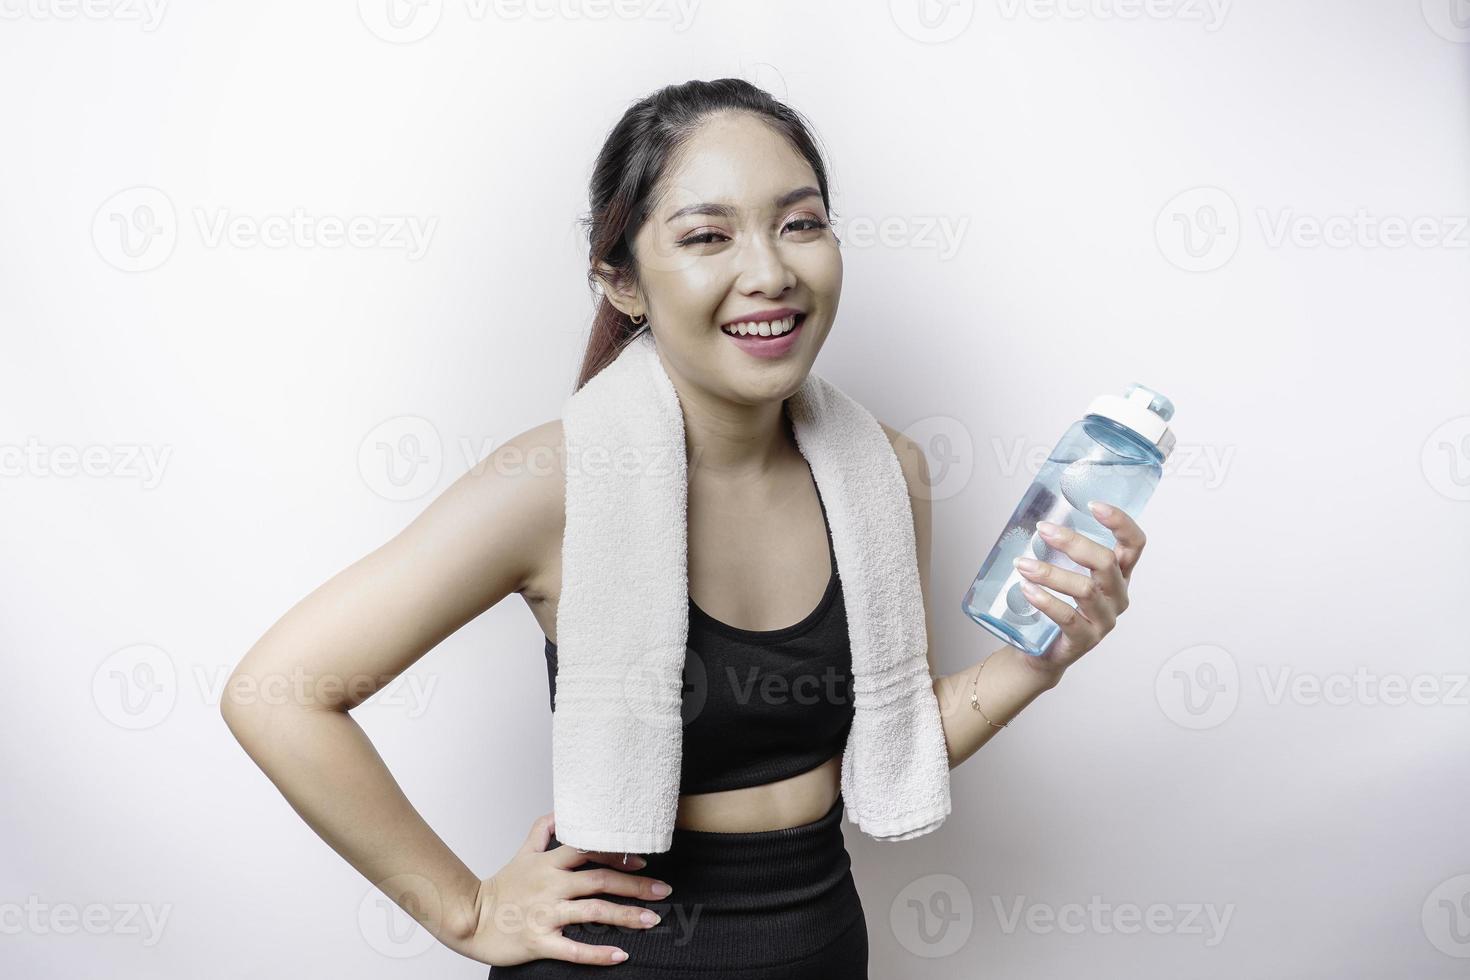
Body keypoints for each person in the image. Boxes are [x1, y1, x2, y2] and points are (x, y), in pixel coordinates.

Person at [221, 78, 1147, 976]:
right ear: (622, 283)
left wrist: (1039, 658)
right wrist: (463, 911)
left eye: (802, 223)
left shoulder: (888, 475)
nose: (771, 271)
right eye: (708, 235)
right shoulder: (557, 484)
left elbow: (891, 746)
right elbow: (277, 692)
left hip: (822, 943)